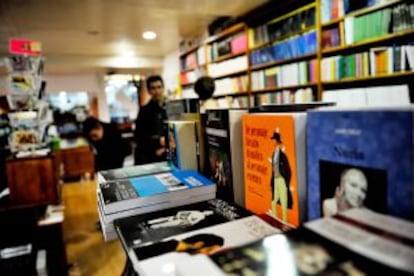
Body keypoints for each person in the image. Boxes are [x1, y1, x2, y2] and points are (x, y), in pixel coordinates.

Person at [134, 75, 167, 165]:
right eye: (153, 88)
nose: (157, 91)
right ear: (149, 91)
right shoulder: (144, 111)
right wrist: (158, 142)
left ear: (163, 88)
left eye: (159, 87)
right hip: (150, 157)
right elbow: (139, 137)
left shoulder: (170, 108)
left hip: (169, 155)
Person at [134, 233, 224, 260]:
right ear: (199, 244)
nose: (207, 254)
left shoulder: (173, 248)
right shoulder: (167, 246)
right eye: (209, 250)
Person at [269, 130, 293, 222]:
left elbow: (288, 170)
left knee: (283, 202)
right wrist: (271, 182)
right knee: (274, 201)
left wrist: (285, 181)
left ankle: (284, 220)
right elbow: (273, 170)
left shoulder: (283, 156)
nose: (272, 142)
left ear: (277, 141)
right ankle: (274, 218)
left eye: (273, 140)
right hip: (275, 180)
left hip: (281, 180)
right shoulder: (273, 154)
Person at [147, 210, 214, 229]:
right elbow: (188, 212)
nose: (207, 212)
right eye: (208, 211)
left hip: (181, 221)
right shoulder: (197, 211)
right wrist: (180, 214)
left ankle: (151, 226)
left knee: (165, 224)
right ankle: (149, 222)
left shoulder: (201, 217)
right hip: (179, 216)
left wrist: (187, 219)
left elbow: (193, 223)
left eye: (209, 213)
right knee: (163, 219)